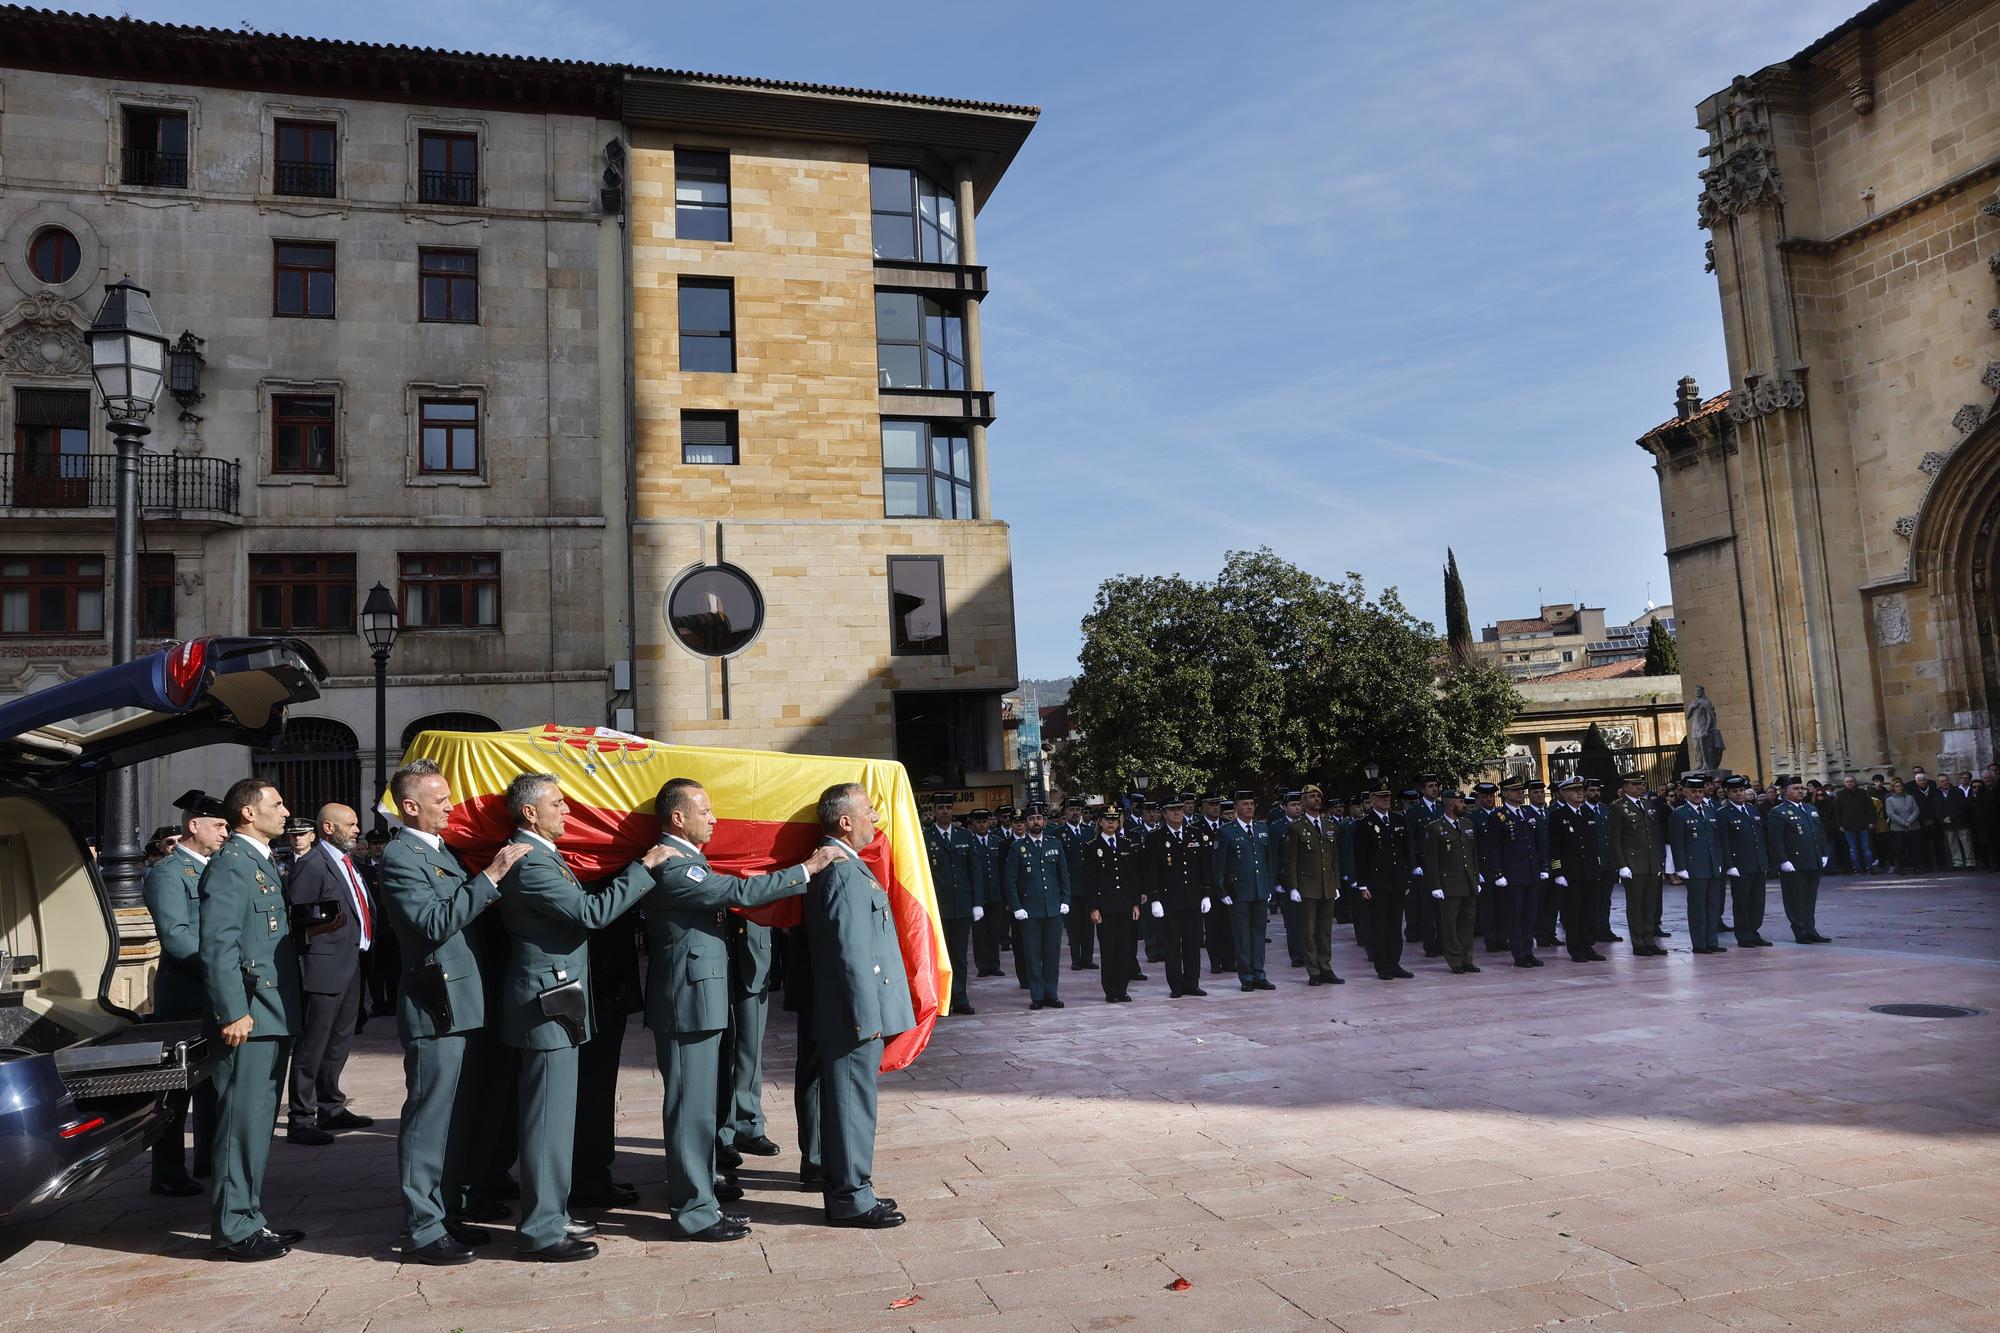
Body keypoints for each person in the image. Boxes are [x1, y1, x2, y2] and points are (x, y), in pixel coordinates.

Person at [637, 777, 835, 1244]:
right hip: (685, 1005)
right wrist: (804, 870)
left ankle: (701, 1191)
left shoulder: (690, 859)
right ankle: (692, 1211)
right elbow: (738, 894)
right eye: (705, 811)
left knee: (703, 1109)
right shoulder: (672, 865)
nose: (715, 819)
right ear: (679, 817)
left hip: (699, 1001)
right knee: (689, 1110)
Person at [493, 773, 660, 1262]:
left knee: (558, 1115)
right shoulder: (532, 863)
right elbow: (593, 913)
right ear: (530, 813)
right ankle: (541, 1230)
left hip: (558, 1001)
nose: (567, 812)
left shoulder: (543, 856)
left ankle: (553, 1209)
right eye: (559, 804)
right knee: (547, 1119)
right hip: (546, 1005)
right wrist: (645, 865)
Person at [378, 759, 529, 1265]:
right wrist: (490, 877)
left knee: (458, 1116)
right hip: (435, 1004)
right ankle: (421, 1227)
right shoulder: (401, 856)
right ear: (410, 806)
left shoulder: (439, 851)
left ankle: (445, 1210)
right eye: (440, 800)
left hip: (462, 1001)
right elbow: (432, 921)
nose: (450, 807)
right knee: (429, 1118)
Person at [199, 778, 320, 1262]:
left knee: (258, 1123)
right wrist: (233, 1011)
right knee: (240, 1126)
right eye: (277, 803)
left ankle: (250, 1215)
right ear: (248, 813)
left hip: (272, 1012)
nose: (287, 811)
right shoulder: (233, 864)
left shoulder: (258, 861)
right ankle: (232, 1227)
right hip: (250, 1015)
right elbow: (218, 945)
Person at [805, 782, 914, 1229]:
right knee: (852, 1105)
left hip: (851, 1010)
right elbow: (851, 952)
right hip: (852, 1014)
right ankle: (850, 1197)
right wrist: (866, 1016)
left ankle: (855, 1188)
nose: (877, 819)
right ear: (844, 821)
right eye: (869, 811)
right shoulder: (843, 872)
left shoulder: (848, 866)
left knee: (851, 1103)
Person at [142, 789, 228, 1197]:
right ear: (194, 826)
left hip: (212, 992)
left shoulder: (212, 867)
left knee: (213, 1082)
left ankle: (208, 1159)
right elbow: (176, 937)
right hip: (185, 994)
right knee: (178, 1089)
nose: (225, 833)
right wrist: (222, 970)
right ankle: (168, 1172)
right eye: (219, 825)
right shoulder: (168, 873)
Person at [282, 803, 376, 1145]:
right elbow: (298, 918)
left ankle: (330, 1105)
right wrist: (320, 928)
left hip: (351, 962)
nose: (357, 829)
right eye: (350, 824)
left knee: (339, 1040)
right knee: (313, 1044)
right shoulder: (312, 864)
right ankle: (302, 1116)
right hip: (322, 965)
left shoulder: (346, 862)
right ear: (328, 828)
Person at [1004, 802, 1071, 1009]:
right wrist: (1016, 907)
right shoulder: (1017, 847)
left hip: (1052, 908)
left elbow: (1063, 876)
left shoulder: (1054, 844)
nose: (1036, 822)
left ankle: (1052, 993)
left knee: (1052, 953)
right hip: (1029, 910)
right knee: (1033, 954)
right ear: (1026, 822)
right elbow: (1010, 880)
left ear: (1045, 821)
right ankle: (1037, 995)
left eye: (1039, 818)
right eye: (1032, 819)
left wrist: (1066, 900)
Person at [1144, 793, 1211, 998]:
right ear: (1163, 814)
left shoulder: (1195, 834)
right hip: (1169, 900)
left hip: (1192, 899)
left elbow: (1205, 867)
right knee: (1172, 945)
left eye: (1180, 809)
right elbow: (1151, 871)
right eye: (1173, 810)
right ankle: (1176, 984)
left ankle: (1192, 982)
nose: (1177, 813)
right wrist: (1154, 899)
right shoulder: (1155, 837)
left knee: (1192, 943)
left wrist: (1206, 894)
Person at [1075, 803, 1143, 1003]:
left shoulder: (1126, 845)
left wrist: (1135, 903)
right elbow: (1090, 880)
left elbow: (1133, 877)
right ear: (1101, 822)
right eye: (1107, 819)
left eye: (1114, 820)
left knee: (1124, 949)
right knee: (1108, 950)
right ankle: (1110, 990)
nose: (1111, 823)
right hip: (1104, 907)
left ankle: (1122, 989)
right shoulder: (1092, 847)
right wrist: (1093, 908)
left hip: (1124, 906)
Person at [923, 799, 984, 1015]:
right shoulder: (925, 837)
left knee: (959, 955)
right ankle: (943, 999)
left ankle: (960, 997)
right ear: (934, 810)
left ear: (953, 811)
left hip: (961, 906)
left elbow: (974, 870)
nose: (945, 811)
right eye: (940, 807)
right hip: (938, 906)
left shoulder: (964, 836)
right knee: (939, 955)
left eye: (948, 808)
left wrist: (977, 903)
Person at [1350, 780, 1412, 980]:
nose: (1386, 800)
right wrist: (1362, 884)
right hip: (1377, 883)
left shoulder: (1398, 820)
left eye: (1388, 797)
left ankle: (1395, 963)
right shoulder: (1364, 824)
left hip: (1397, 881)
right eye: (1382, 797)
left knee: (1395, 924)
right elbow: (1360, 857)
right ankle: (1382, 966)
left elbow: (1405, 852)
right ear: (1373, 800)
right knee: (1380, 925)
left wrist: (1407, 879)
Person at [1216, 790, 1276, 992]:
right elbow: (1219, 865)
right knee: (1242, 935)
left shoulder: (1262, 828)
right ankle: (1246, 976)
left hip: (1259, 889)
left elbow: (1268, 861)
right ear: (1235, 808)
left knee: (1259, 933)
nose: (1249, 807)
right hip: (1238, 891)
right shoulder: (1226, 831)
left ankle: (1259, 973)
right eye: (1244, 804)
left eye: (1251, 803)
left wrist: (1269, 886)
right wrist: (1222, 891)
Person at [1284, 785, 1343, 985]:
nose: (1316, 799)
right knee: (1308, 931)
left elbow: (1334, 857)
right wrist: (1292, 886)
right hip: (1307, 885)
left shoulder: (1329, 824)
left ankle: (1326, 967)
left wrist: (1336, 884)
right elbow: (1291, 859)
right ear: (1302, 801)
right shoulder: (1296, 827)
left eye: (1318, 796)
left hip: (1326, 885)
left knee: (1325, 930)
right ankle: (1314, 971)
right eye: (1312, 796)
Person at [1485, 777, 1546, 968]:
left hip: (1531, 872)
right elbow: (1493, 848)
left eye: (1521, 790)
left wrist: (1543, 867)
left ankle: (1529, 951)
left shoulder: (1527, 812)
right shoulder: (1498, 816)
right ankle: (1519, 953)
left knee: (1530, 915)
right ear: (1505, 794)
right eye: (1515, 790)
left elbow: (1538, 843)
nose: (1520, 793)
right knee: (1515, 915)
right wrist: (1497, 873)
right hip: (1512, 874)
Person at [1421, 790, 1481, 974]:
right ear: (1450, 805)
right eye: (1460, 801)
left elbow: (1473, 855)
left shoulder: (1467, 824)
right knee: (1450, 924)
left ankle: (1467, 958)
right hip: (1449, 883)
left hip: (1468, 881)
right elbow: (1431, 860)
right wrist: (1436, 885)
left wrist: (1476, 877)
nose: (1464, 805)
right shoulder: (1435, 827)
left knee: (1468, 922)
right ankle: (1455, 960)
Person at [1546, 778, 1607, 962]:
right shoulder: (1558, 816)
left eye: (1581, 789)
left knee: (1590, 911)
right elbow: (1554, 847)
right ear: (1564, 794)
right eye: (1574, 790)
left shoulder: (1588, 813)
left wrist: (1597, 866)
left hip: (1589, 871)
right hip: (1570, 874)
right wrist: (1558, 872)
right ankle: (1576, 948)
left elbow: (1593, 844)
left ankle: (1588, 945)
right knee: (1574, 913)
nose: (1580, 793)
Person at [1767, 775, 1832, 944]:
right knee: (1795, 898)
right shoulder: (1778, 812)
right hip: (1794, 862)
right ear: (1784, 792)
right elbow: (1776, 839)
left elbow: (1820, 833)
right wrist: (1783, 860)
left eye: (1801, 788)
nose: (1799, 791)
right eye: (1795, 788)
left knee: (1810, 897)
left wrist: (1824, 853)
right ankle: (1800, 930)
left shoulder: (1810, 808)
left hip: (1813, 859)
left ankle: (1811, 929)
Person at [1609, 772, 1667, 956]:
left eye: (1642, 784)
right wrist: (1622, 865)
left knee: (1650, 905)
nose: (1640, 787)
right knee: (1636, 905)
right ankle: (1638, 942)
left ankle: (1650, 940)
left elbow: (1655, 835)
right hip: (1633, 863)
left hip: (1650, 862)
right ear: (1625, 787)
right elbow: (1615, 839)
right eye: (1635, 785)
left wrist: (1659, 861)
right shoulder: (1618, 807)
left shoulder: (1648, 804)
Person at [1669, 775, 1728, 954]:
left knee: (1713, 906)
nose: (1697, 795)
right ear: (1686, 792)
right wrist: (1680, 867)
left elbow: (1716, 841)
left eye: (1700, 791)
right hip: (1694, 867)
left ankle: (1712, 941)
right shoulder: (1679, 814)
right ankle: (1700, 943)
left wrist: (1719, 862)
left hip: (1712, 865)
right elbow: (1677, 843)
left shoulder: (1710, 811)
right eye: (1693, 791)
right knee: (1697, 907)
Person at [1717, 775, 1774, 947]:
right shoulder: (1723, 814)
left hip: (1757, 863)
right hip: (1740, 865)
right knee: (1742, 901)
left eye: (1741, 790)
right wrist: (1729, 865)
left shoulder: (1752, 809)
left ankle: (1754, 931)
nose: (1739, 794)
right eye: (1735, 791)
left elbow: (1761, 836)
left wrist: (1766, 860)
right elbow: (1723, 842)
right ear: (1727, 793)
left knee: (1757, 901)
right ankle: (1743, 934)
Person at [1054, 798, 1096, 972]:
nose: (1076, 813)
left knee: (1088, 925)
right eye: (1072, 809)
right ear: (1065, 813)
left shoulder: (1088, 831)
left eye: (1078, 809)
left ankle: (1088, 958)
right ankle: (1076, 959)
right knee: (1073, 926)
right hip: (1070, 886)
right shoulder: (1059, 833)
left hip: (1087, 886)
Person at [1193, 795, 1233, 976]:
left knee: (1229, 925)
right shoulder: (1195, 828)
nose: (1216, 808)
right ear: (1202, 807)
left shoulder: (1228, 826)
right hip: (1207, 884)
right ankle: (1215, 961)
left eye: (1218, 805)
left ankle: (1229, 960)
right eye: (1211, 804)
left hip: (1228, 884)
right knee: (1212, 926)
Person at [966, 809, 1007, 978]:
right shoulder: (970, 842)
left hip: (995, 893)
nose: (982, 825)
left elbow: (1003, 869)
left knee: (994, 930)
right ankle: (982, 965)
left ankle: (994, 964)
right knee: (979, 932)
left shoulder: (997, 841)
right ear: (973, 824)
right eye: (978, 822)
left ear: (989, 822)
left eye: (984, 822)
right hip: (978, 895)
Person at [1833, 776, 1880, 874]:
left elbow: (1870, 808)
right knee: (1853, 849)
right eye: (1847, 782)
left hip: (1863, 824)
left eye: (1851, 781)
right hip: (1847, 826)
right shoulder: (1840, 794)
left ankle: (1869, 867)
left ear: (1855, 782)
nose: (1849, 783)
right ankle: (1858, 868)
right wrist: (1839, 825)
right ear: (1844, 783)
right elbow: (1837, 812)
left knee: (1866, 847)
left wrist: (1872, 822)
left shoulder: (1863, 793)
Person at [1940, 772, 1975, 870]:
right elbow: (1937, 809)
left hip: (1960, 821)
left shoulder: (1958, 791)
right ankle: (1957, 863)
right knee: (1952, 844)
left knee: (1967, 843)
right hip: (1947, 824)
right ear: (1940, 783)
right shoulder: (1938, 794)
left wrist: (1951, 817)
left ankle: (1970, 862)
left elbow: (1962, 806)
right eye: (1942, 781)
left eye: (1946, 780)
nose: (1945, 782)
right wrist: (1943, 819)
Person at [1884, 778, 1921, 873]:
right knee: (1900, 848)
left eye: (1900, 786)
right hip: (1898, 828)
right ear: (1893, 788)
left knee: (1914, 847)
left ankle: (1916, 866)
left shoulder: (1910, 797)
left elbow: (1916, 810)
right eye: (1896, 786)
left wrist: (1909, 820)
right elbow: (1891, 814)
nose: (1899, 788)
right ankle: (1902, 867)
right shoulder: (1889, 800)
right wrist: (1903, 822)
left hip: (1913, 826)